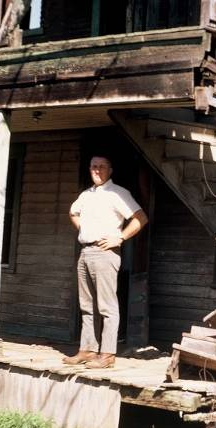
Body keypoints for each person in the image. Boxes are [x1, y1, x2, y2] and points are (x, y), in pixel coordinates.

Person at [63, 155, 148, 368]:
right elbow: (73, 213)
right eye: (93, 167)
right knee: (86, 305)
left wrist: (119, 238)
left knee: (107, 306)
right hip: (85, 251)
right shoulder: (86, 194)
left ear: (110, 170)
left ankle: (108, 354)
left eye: (101, 167)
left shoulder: (117, 193)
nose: (97, 170)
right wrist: (84, 230)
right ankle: (88, 350)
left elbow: (140, 218)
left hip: (105, 253)